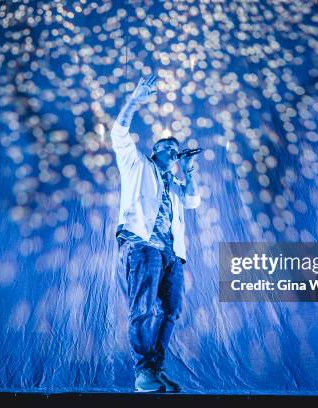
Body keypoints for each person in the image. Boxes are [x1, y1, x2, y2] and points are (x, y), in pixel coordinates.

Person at [110, 74, 201, 393]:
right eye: (168, 148)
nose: (174, 152)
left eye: (176, 150)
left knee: (171, 311)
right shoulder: (137, 166)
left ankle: (155, 368)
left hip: (172, 255)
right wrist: (134, 100)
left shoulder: (176, 185)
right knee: (143, 308)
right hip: (142, 246)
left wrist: (189, 171)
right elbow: (118, 133)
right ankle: (141, 371)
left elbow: (192, 201)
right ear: (156, 150)